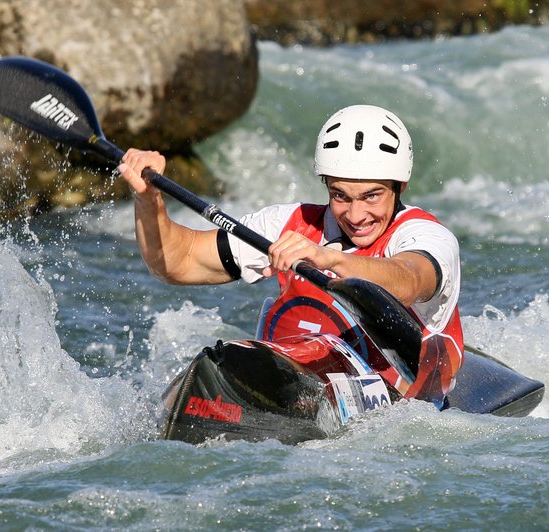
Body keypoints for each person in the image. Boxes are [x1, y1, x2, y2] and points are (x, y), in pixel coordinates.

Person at [119, 104, 463, 407]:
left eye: (371, 196)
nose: (356, 215)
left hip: (398, 396)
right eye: (340, 196)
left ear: (399, 186)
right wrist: (149, 201)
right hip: (295, 378)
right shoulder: (288, 223)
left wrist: (331, 259)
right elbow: (178, 263)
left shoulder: (426, 236)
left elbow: (409, 279)